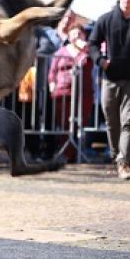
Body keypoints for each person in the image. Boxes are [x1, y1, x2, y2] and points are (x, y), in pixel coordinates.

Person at [88, 0, 130, 180]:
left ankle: (124, 163)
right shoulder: (106, 19)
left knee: (129, 122)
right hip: (110, 78)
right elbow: (92, 43)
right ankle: (115, 157)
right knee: (112, 121)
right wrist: (101, 61)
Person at [47, 23, 93, 160]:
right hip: (63, 92)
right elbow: (52, 71)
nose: (76, 36)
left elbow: (93, 62)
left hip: (83, 93)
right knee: (64, 124)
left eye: (79, 33)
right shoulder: (61, 52)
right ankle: (66, 154)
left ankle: (75, 154)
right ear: (68, 36)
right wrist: (52, 84)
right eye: (73, 33)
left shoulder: (87, 50)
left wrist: (85, 48)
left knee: (80, 124)